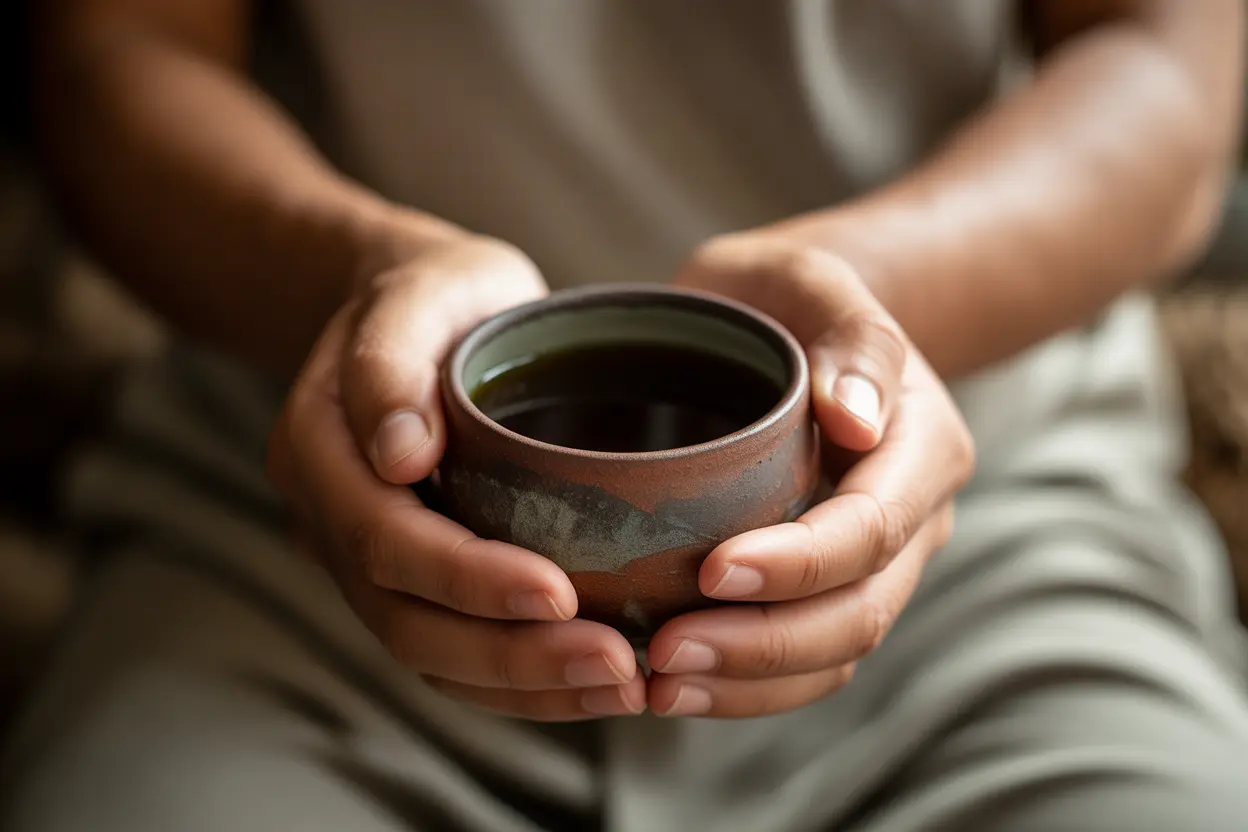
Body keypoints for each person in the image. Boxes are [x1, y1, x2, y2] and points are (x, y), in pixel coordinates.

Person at [4, 0, 1247, 829]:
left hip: (979, 524)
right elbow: (116, 52)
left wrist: (878, 304)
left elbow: (1165, 59)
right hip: (313, 530)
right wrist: (357, 284)